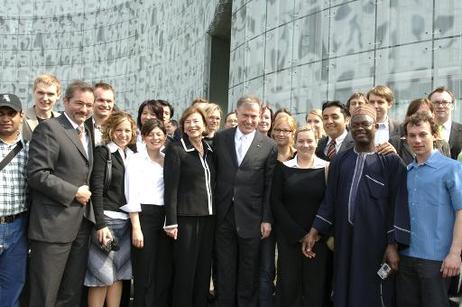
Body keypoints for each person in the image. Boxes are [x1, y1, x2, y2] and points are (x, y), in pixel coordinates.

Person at [304, 104, 410, 307]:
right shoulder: (341, 160)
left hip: (377, 243)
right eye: (356, 125)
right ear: (350, 128)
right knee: (343, 289)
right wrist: (315, 230)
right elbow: (330, 200)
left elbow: (398, 206)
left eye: (366, 124)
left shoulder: (391, 162)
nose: (360, 128)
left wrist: (392, 245)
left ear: (375, 127)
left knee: (375, 292)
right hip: (345, 240)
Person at [27, 80, 96, 307]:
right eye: (79, 103)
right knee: (45, 294)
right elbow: (37, 174)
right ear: (65, 101)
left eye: (88, 105)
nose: (84, 109)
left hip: (81, 225)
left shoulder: (87, 131)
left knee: (70, 294)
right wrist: (73, 192)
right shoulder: (49, 128)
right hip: (52, 227)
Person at [213, 95, 277, 307]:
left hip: (252, 217)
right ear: (237, 114)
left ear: (260, 116)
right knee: (224, 270)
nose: (249, 121)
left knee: (248, 271)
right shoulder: (221, 138)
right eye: (245, 116)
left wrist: (266, 218)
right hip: (223, 216)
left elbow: (269, 186)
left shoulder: (269, 145)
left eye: (253, 116)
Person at [396, 111, 462, 307]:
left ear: (434, 135)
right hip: (406, 257)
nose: (417, 140)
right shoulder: (406, 172)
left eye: (422, 134)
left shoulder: (452, 169)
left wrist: (455, 253)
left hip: (438, 260)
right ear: (405, 138)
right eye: (412, 135)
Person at [271, 126, 330, 307]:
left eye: (310, 141)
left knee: (315, 288)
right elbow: (275, 202)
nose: (306, 145)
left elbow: (330, 204)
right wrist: (299, 235)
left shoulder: (327, 168)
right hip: (289, 238)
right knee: (289, 287)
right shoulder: (283, 168)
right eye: (301, 141)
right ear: (295, 143)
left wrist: (315, 233)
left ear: (317, 141)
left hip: (318, 239)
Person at [164, 106, 216, 307]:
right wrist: (171, 222)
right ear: (183, 127)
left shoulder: (210, 151)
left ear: (204, 125)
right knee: (186, 272)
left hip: (208, 219)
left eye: (196, 121)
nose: (192, 125)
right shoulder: (176, 150)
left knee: (203, 271)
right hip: (185, 220)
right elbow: (171, 188)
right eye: (188, 122)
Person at [84, 111, 136, 307]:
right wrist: (100, 225)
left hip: (125, 222)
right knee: (100, 279)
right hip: (107, 221)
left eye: (127, 130)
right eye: (119, 130)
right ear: (111, 131)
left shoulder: (131, 155)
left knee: (118, 276)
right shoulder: (103, 152)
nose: (123, 134)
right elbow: (96, 190)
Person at [123, 119, 172, 307]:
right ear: (143, 137)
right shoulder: (135, 160)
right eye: (150, 134)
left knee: (163, 270)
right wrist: (136, 227)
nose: (155, 138)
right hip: (143, 217)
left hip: (165, 218)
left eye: (159, 134)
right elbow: (131, 193)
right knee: (144, 271)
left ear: (165, 137)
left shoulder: (168, 160)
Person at [0, 94, 28, 307]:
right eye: (0, 114)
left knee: (13, 285)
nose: (6, 118)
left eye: (11, 113)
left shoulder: (32, 148)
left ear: (21, 116)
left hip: (17, 226)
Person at [389, 98, 451, 165]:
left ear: (433, 115)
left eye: (425, 114)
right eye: (417, 114)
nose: (421, 117)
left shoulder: (443, 144)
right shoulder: (396, 142)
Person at [22, 74, 61, 141]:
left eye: (50, 94)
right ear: (33, 92)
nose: (45, 98)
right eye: (41, 93)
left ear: (58, 96)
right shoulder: (21, 118)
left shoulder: (63, 121)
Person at [428, 86, 462, 159]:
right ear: (429, 106)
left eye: (445, 102)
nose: (440, 106)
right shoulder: (420, 132)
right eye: (436, 102)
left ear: (452, 106)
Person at [85, 82, 116, 147]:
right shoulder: (82, 127)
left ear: (113, 103)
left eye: (109, 101)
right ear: (92, 101)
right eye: (101, 100)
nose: (105, 105)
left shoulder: (121, 127)